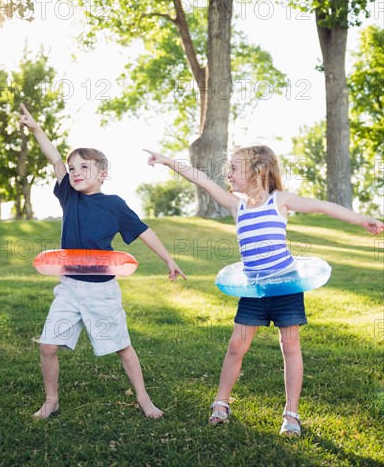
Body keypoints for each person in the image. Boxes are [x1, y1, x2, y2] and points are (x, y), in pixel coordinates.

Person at [144, 145, 383, 436]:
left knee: (290, 345)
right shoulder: (237, 206)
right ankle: (221, 401)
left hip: (285, 288)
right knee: (236, 347)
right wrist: (168, 161)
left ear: (257, 171)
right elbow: (201, 180)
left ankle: (291, 413)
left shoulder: (278, 201)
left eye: (233, 168)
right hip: (254, 291)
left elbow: (321, 206)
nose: (227, 174)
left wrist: (362, 220)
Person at [20, 104, 186, 420]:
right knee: (47, 346)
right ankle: (51, 400)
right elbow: (55, 159)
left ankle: (144, 398)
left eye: (84, 167)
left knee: (123, 347)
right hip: (69, 287)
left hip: (102, 291)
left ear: (103, 173)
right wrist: (37, 129)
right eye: (72, 168)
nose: (76, 172)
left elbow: (143, 232)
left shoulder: (115, 206)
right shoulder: (69, 194)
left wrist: (168, 259)